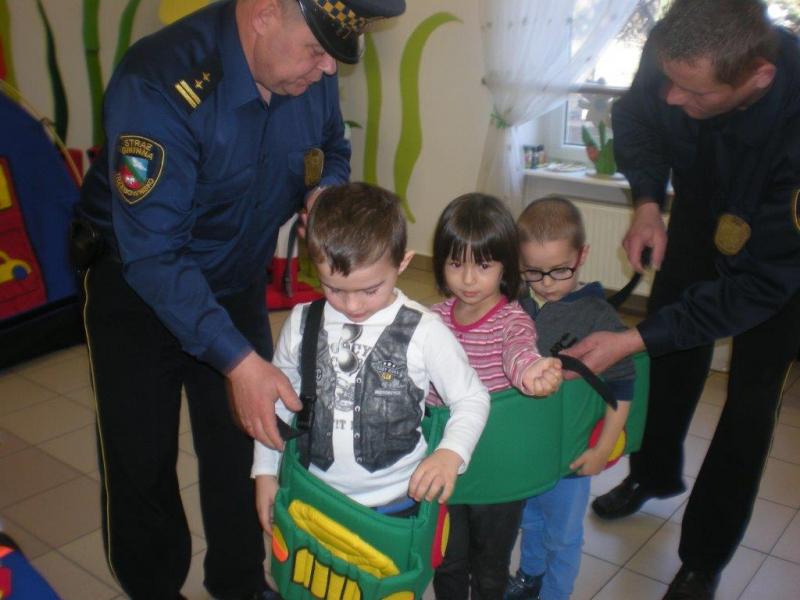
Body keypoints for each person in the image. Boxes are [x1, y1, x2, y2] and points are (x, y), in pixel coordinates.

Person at [74, 1, 406, 598]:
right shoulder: (158, 82)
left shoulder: (308, 73)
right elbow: (154, 255)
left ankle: (239, 583)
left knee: (245, 445)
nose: (328, 69)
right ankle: (154, 589)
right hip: (139, 288)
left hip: (235, 280)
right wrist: (237, 361)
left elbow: (331, 147)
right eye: (317, 49)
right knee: (141, 458)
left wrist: (324, 192)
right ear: (264, 12)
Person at [564, 1, 800, 598]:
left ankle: (703, 557)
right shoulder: (681, 47)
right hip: (698, 214)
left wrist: (629, 338)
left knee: (750, 404)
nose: (672, 96)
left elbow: (760, 283)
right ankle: (653, 475)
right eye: (669, 80)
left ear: (758, 77)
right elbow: (638, 116)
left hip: (782, 259)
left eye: (693, 92)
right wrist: (648, 201)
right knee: (670, 354)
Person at [253, 182, 490, 532]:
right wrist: (264, 471)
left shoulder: (425, 331)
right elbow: (276, 401)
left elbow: (472, 398)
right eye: (334, 288)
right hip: (313, 496)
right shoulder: (302, 322)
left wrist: (451, 452)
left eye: (370, 289)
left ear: (403, 261)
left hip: (396, 505)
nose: (352, 305)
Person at [426, 193, 563, 600]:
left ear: (505, 266)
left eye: (483, 266)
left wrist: (532, 371)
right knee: (447, 562)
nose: (468, 280)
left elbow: (519, 353)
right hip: (446, 464)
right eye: (456, 264)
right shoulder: (432, 320)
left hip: (498, 468)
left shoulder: (511, 321)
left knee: (490, 569)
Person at [504, 197, 634, 600]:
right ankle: (530, 576)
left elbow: (623, 388)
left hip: (573, 455)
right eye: (533, 271)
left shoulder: (598, 316)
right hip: (527, 450)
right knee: (529, 520)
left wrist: (603, 448)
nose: (546, 283)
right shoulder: (517, 303)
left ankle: (555, 593)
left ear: (583, 256)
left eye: (560, 270)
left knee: (562, 535)